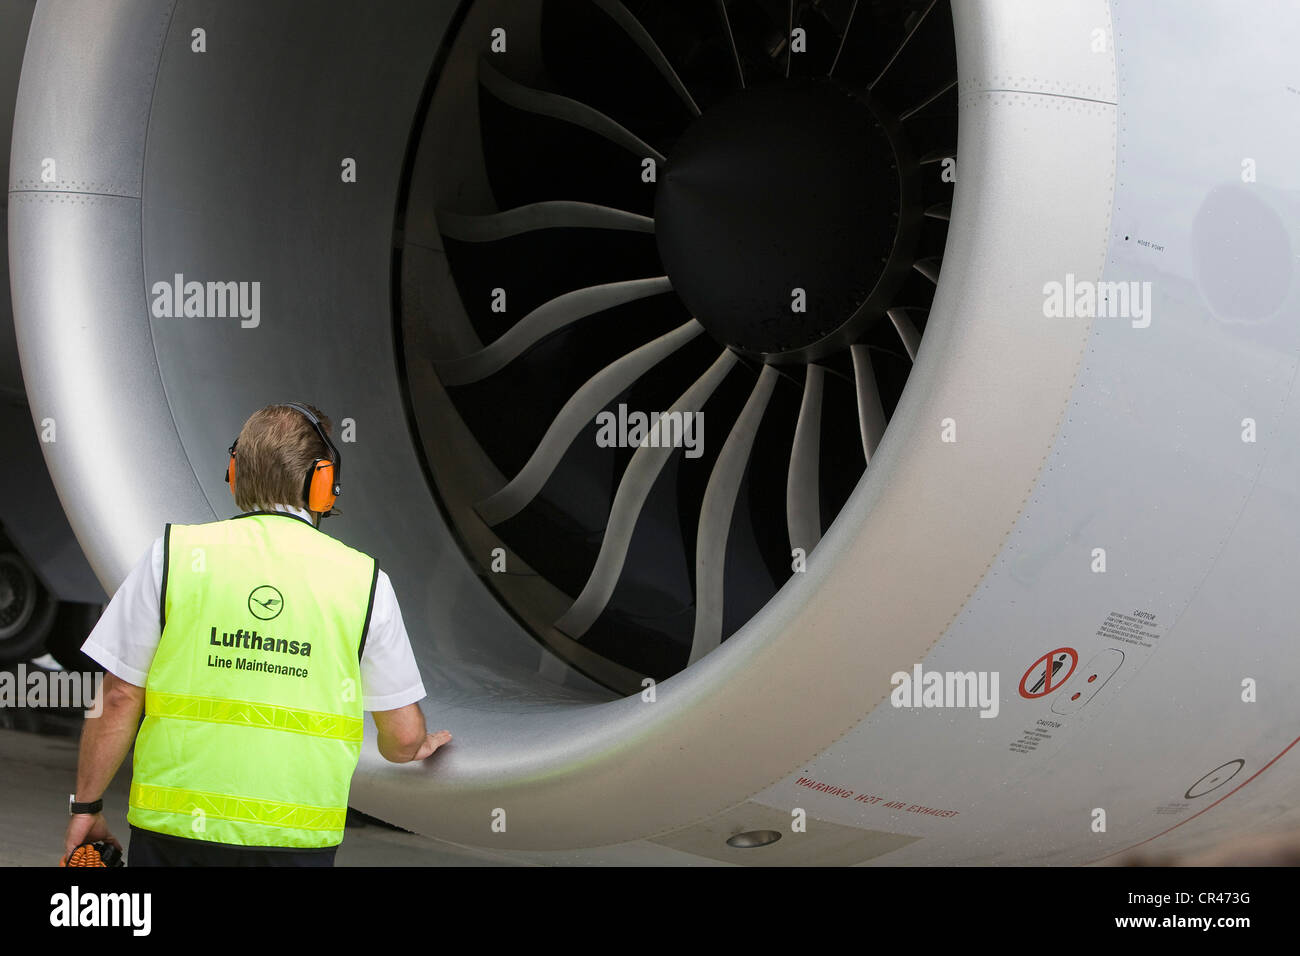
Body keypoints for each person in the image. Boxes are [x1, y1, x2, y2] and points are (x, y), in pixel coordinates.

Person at [62, 402, 451, 866]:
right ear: (323, 483)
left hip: (174, 833)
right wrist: (418, 746)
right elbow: (401, 738)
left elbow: (121, 697)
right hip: (293, 843)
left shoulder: (175, 556)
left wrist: (86, 807)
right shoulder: (363, 581)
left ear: (235, 472)